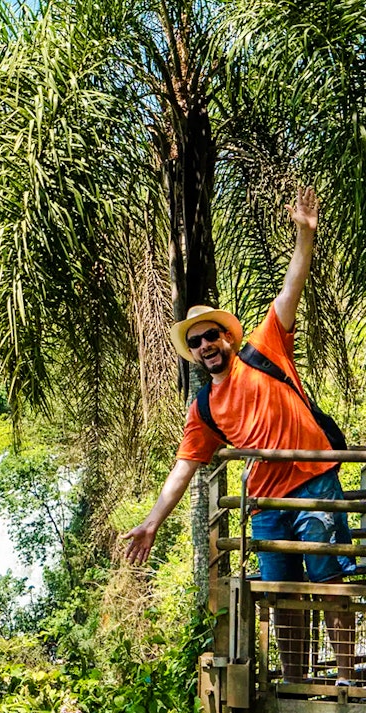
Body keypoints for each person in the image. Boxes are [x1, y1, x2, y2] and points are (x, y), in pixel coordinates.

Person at [121, 186, 357, 686]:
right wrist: (151, 522)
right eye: (195, 341)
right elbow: (184, 465)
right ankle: (295, 678)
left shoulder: (265, 347)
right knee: (281, 591)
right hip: (265, 504)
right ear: (193, 353)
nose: (205, 344)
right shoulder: (204, 405)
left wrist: (304, 238)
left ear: (227, 337)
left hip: (313, 481)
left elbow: (292, 287)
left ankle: (345, 677)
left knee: (329, 579)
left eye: (211, 335)